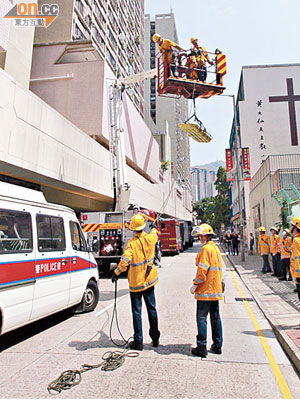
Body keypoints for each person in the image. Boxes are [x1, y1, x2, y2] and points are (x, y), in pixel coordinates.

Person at [112, 213, 160, 351]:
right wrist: (154, 227)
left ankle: (138, 342)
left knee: (137, 312)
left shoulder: (131, 244)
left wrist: (116, 272)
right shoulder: (151, 238)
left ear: (133, 229)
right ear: (143, 226)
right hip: (149, 281)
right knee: (152, 309)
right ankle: (155, 338)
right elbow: (155, 233)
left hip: (136, 284)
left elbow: (125, 261)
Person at [190, 223, 223, 358]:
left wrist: (195, 284)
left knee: (202, 317)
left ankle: (201, 346)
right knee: (215, 318)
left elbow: (202, 270)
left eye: (201, 235)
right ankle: (217, 345)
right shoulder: (215, 248)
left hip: (205, 290)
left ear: (206, 235)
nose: (199, 237)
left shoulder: (206, 249)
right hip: (215, 289)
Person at [290, 217, 300, 299]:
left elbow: (297, 258)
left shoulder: (296, 240)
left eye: (291, 225)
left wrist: (298, 275)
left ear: (295, 227)